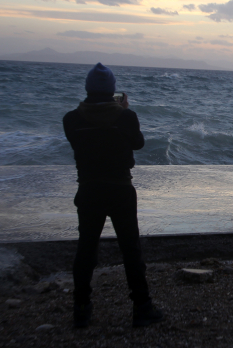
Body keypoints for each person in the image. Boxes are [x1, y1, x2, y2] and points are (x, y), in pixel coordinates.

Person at [63, 63, 163, 329]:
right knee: (131, 249)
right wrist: (124, 112)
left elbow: (78, 144)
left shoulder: (71, 119)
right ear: (112, 91)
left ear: (87, 88)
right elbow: (138, 144)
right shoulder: (125, 118)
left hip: (88, 189)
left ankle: (81, 309)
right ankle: (142, 308)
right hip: (120, 188)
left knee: (86, 249)